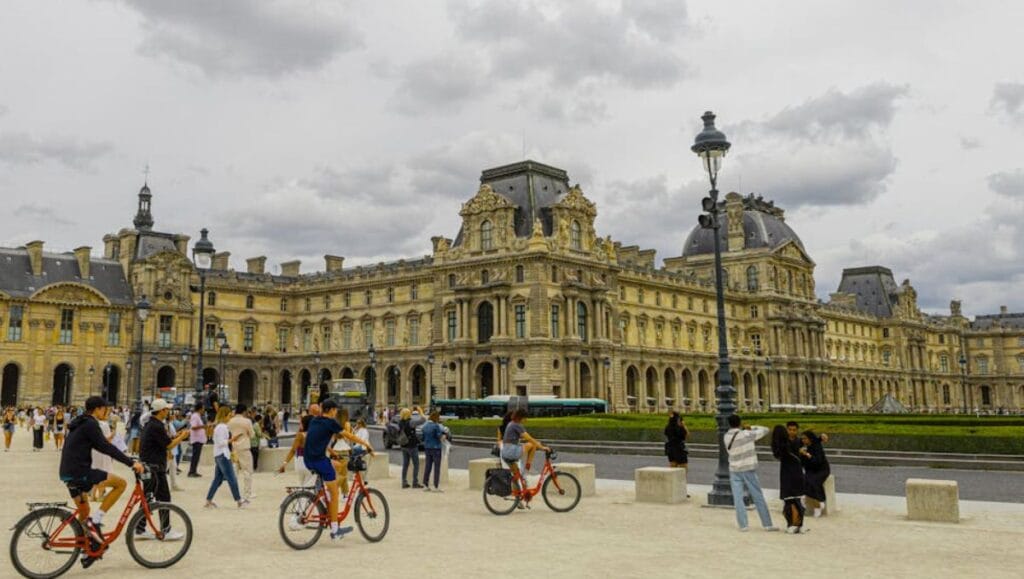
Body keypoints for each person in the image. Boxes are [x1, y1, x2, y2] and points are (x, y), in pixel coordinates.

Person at [59, 396, 144, 569]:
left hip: (67, 472)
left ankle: (88, 549)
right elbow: (105, 447)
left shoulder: (79, 422)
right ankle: (97, 520)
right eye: (105, 409)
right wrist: (131, 463)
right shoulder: (91, 424)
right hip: (80, 472)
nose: (107, 412)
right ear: (98, 409)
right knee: (120, 484)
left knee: (84, 510)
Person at [137, 399, 190, 538]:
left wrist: (175, 436)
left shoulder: (151, 424)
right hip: (155, 467)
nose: (168, 412)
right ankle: (165, 530)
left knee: (148, 498)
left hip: (149, 466)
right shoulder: (157, 426)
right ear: (162, 411)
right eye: (167, 409)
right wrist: (183, 437)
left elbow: (163, 441)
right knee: (164, 497)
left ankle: (139, 528)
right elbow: (168, 446)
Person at [304, 400, 354, 541]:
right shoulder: (330, 422)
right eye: (335, 410)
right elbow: (349, 436)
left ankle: (325, 495)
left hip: (309, 459)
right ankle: (335, 529)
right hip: (319, 460)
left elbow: (316, 440)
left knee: (337, 466)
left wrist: (331, 451)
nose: (336, 412)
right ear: (331, 410)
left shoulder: (315, 421)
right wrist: (366, 444)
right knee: (335, 492)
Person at [723, 414, 778, 532]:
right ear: (740, 422)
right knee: (757, 496)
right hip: (748, 469)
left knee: (738, 499)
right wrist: (750, 427)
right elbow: (765, 430)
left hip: (734, 470)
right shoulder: (746, 434)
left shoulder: (726, 436)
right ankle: (767, 524)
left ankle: (743, 525)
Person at [205, 406, 248, 509]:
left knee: (217, 480)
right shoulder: (222, 427)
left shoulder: (219, 427)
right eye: (229, 415)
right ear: (224, 416)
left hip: (219, 455)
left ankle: (209, 500)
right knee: (232, 478)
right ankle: (239, 500)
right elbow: (221, 443)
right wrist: (232, 439)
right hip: (223, 455)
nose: (231, 416)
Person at [772, 424, 809, 534]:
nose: (791, 432)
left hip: (786, 474)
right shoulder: (791, 444)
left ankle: (792, 524)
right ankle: (799, 524)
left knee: (789, 500)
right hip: (797, 473)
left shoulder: (778, 446)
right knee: (796, 500)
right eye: (789, 430)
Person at [501, 409, 549, 493]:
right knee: (533, 444)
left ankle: (518, 497)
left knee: (516, 476)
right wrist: (542, 447)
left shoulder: (511, 423)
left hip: (505, 452)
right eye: (525, 418)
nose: (526, 420)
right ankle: (528, 465)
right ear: (520, 417)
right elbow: (529, 438)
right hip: (511, 451)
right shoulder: (517, 425)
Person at [799, 430, 831, 517]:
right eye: (802, 439)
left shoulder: (816, 446)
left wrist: (808, 455)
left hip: (822, 469)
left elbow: (818, 461)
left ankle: (819, 503)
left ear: (810, 439)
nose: (803, 440)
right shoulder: (804, 446)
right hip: (810, 469)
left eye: (805, 439)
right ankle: (816, 503)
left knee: (814, 481)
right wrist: (802, 455)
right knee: (805, 480)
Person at [228, 404, 256, 499]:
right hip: (244, 448)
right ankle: (247, 493)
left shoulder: (231, 421)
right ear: (244, 411)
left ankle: (234, 492)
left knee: (234, 471)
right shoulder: (247, 421)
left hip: (234, 448)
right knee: (247, 471)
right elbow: (252, 435)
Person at [278, 415, 314, 486]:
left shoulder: (300, 435)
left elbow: (293, 450)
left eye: (301, 423)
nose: (299, 424)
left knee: (302, 485)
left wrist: (284, 464)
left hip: (299, 463)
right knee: (309, 487)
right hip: (310, 463)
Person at [421, 411, 446, 492]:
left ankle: (425, 484)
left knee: (428, 467)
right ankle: (436, 486)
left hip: (427, 448)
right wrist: (444, 436)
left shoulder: (425, 426)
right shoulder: (436, 426)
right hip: (436, 448)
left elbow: (422, 438)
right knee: (437, 468)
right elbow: (439, 437)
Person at [398, 408, 421, 489]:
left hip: (404, 445)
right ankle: (415, 482)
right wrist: (420, 411)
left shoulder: (400, 422)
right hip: (412, 445)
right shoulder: (411, 422)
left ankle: (404, 482)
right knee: (416, 464)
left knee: (405, 464)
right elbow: (423, 420)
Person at [187, 402, 206, 478]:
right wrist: (203, 426)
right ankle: (192, 471)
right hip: (196, 439)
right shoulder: (195, 416)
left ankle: (194, 470)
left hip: (199, 439)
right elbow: (193, 427)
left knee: (196, 456)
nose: (204, 410)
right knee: (195, 456)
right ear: (200, 408)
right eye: (203, 408)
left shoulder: (198, 416)